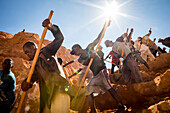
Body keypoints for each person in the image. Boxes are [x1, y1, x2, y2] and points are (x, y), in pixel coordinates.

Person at [70, 20, 126, 113]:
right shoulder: (80, 59)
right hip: (95, 75)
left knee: (109, 88)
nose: (74, 54)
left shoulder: (90, 47)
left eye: (74, 51)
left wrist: (105, 27)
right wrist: (89, 57)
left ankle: (122, 106)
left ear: (78, 48)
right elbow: (86, 63)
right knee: (88, 90)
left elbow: (99, 37)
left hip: (102, 71)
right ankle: (93, 110)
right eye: (73, 53)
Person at [21, 19, 70, 113]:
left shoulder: (46, 51)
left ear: (33, 47)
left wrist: (51, 27)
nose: (26, 54)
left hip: (59, 91)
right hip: (47, 97)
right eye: (25, 53)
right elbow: (31, 79)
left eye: (27, 51)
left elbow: (60, 38)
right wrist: (26, 84)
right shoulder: (34, 67)